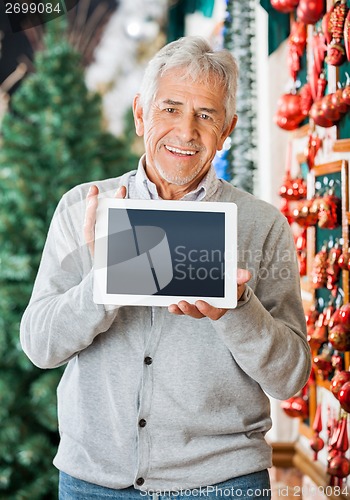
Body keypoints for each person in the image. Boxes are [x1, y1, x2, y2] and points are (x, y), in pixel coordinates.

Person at [20, 36, 311, 499]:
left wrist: (237, 308)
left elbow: (290, 377)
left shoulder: (261, 225)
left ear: (228, 128)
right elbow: (40, 346)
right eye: (170, 108)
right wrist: (102, 283)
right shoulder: (82, 208)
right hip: (91, 482)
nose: (186, 132)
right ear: (140, 113)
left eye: (206, 115)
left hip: (221, 486)